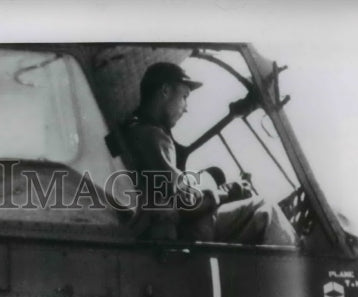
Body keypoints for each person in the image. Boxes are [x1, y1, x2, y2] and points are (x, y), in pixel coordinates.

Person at [120, 61, 296, 245]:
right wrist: (228, 192)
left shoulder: (136, 130)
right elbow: (186, 202)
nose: (186, 107)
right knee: (266, 210)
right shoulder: (152, 136)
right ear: (165, 90)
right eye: (184, 96)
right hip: (185, 234)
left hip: (174, 227)